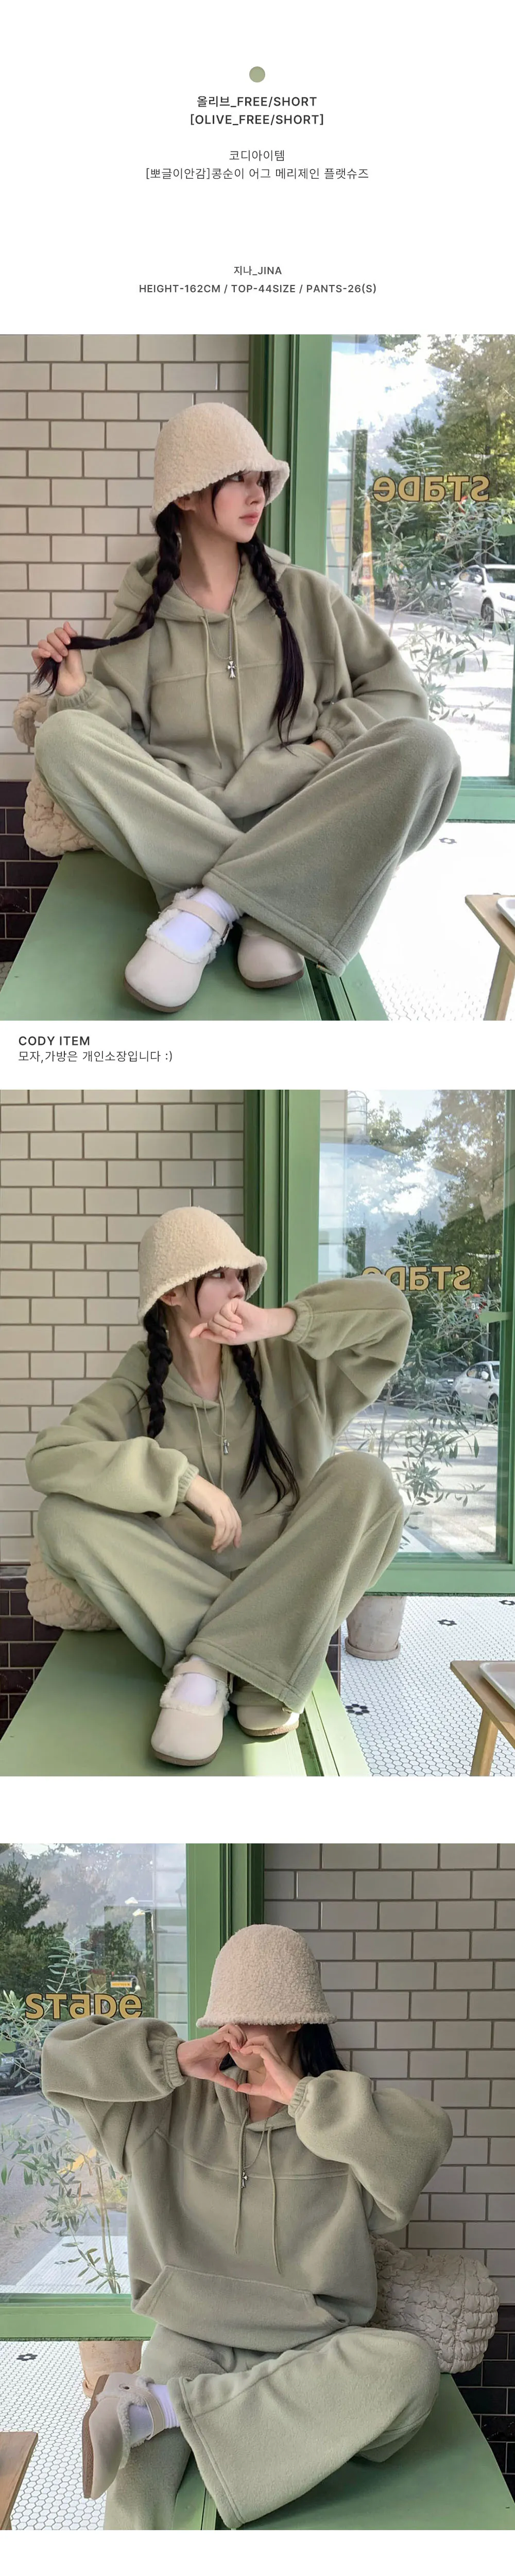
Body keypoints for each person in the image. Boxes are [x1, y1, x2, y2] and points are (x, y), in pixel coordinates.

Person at [31, 402, 461, 1013]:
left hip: (302, 812)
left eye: (261, 479)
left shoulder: (308, 596)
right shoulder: (144, 615)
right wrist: (77, 691)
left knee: (430, 750)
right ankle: (276, 903)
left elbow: (398, 697)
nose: (257, 493)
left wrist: (324, 747)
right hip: (187, 818)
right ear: (185, 495)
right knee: (62, 737)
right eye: (237, 478)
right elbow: (115, 741)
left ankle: (210, 904)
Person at [41, 1922, 452, 2528]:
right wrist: (174, 2057)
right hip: (190, 2341)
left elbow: (427, 2138)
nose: (238, 2030)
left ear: (297, 2021)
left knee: (409, 2370)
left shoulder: (338, 2118)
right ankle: (167, 2411)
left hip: (309, 2350)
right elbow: (59, 2061)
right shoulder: (166, 2105)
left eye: (259, 2013)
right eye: (227, 2014)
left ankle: (164, 2409)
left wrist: (301, 2097)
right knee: (138, 2492)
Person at [26, 1205, 411, 1767]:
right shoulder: (139, 1380)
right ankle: (260, 1659)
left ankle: (207, 1666)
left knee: (368, 1480)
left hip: (287, 1561)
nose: (238, 1288)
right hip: (187, 1570)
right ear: (173, 1293)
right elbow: (50, 1458)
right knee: (62, 1519)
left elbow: (391, 1316)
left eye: (241, 1275)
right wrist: (182, 1483)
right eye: (220, 1274)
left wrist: (280, 1321)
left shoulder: (288, 1357)